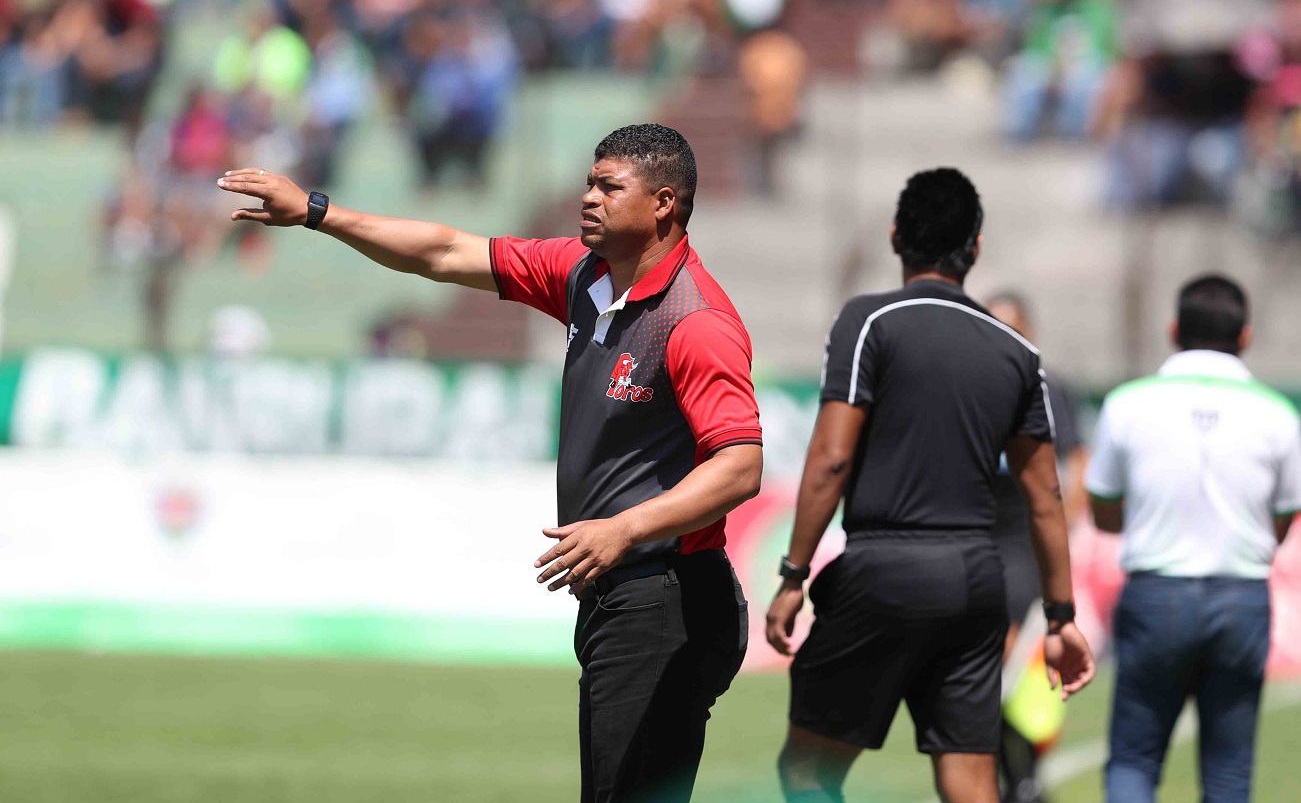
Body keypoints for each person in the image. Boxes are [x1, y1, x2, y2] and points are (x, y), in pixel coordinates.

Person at [217, 122, 763, 803]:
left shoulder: (694, 320)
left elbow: (740, 466)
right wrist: (318, 212)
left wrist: (624, 527)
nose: (587, 197)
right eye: (588, 182)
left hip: (669, 596)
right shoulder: (583, 274)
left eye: (607, 186)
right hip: (622, 592)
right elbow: (445, 251)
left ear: (662, 204)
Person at [765, 168, 1095, 803]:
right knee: (970, 781)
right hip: (976, 581)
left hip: (885, 568)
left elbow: (831, 459)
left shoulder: (868, 322)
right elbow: (1045, 498)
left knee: (809, 770)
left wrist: (793, 574)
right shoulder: (1017, 353)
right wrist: (1060, 617)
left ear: (895, 237)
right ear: (975, 246)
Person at [1087, 274, 1301, 803]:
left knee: (1135, 759)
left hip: (1156, 594)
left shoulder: (1126, 403)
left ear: (1174, 330)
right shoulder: (1278, 412)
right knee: (1228, 772)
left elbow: (1102, 508)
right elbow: (1285, 516)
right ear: (1245, 336)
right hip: (1241, 597)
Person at [987, 292, 1089, 803]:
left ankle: (1022, 774)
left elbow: (1077, 461)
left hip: (1025, 538)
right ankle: (1016, 778)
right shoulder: (969, 386)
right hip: (977, 532)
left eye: (1013, 326)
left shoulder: (1051, 390)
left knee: (1006, 654)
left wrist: (1063, 526)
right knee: (981, 664)